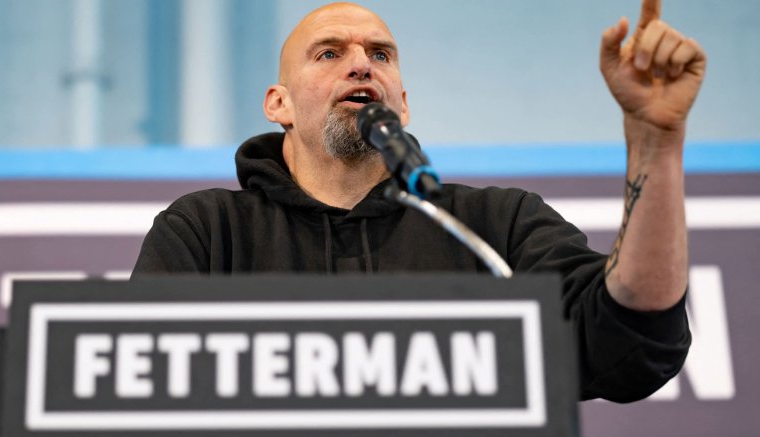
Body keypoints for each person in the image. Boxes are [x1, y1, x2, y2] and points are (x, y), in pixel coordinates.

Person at [133, 0, 704, 403]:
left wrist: (656, 141)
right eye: (328, 54)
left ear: (402, 105)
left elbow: (628, 338)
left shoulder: (494, 225)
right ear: (277, 103)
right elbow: (139, 390)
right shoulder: (206, 231)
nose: (361, 63)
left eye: (380, 55)